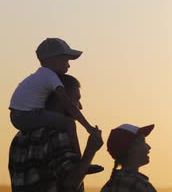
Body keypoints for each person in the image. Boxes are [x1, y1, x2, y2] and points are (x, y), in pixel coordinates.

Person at [8, 78, 104, 192]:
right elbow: (70, 181)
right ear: (62, 100)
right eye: (76, 99)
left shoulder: (20, 138)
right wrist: (90, 151)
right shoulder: (57, 135)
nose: (80, 106)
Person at [8, 37, 103, 173]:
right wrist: (88, 127)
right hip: (27, 115)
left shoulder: (40, 76)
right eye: (66, 61)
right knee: (69, 123)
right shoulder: (50, 77)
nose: (68, 65)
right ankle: (78, 162)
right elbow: (68, 105)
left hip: (18, 116)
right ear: (53, 60)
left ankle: (78, 162)